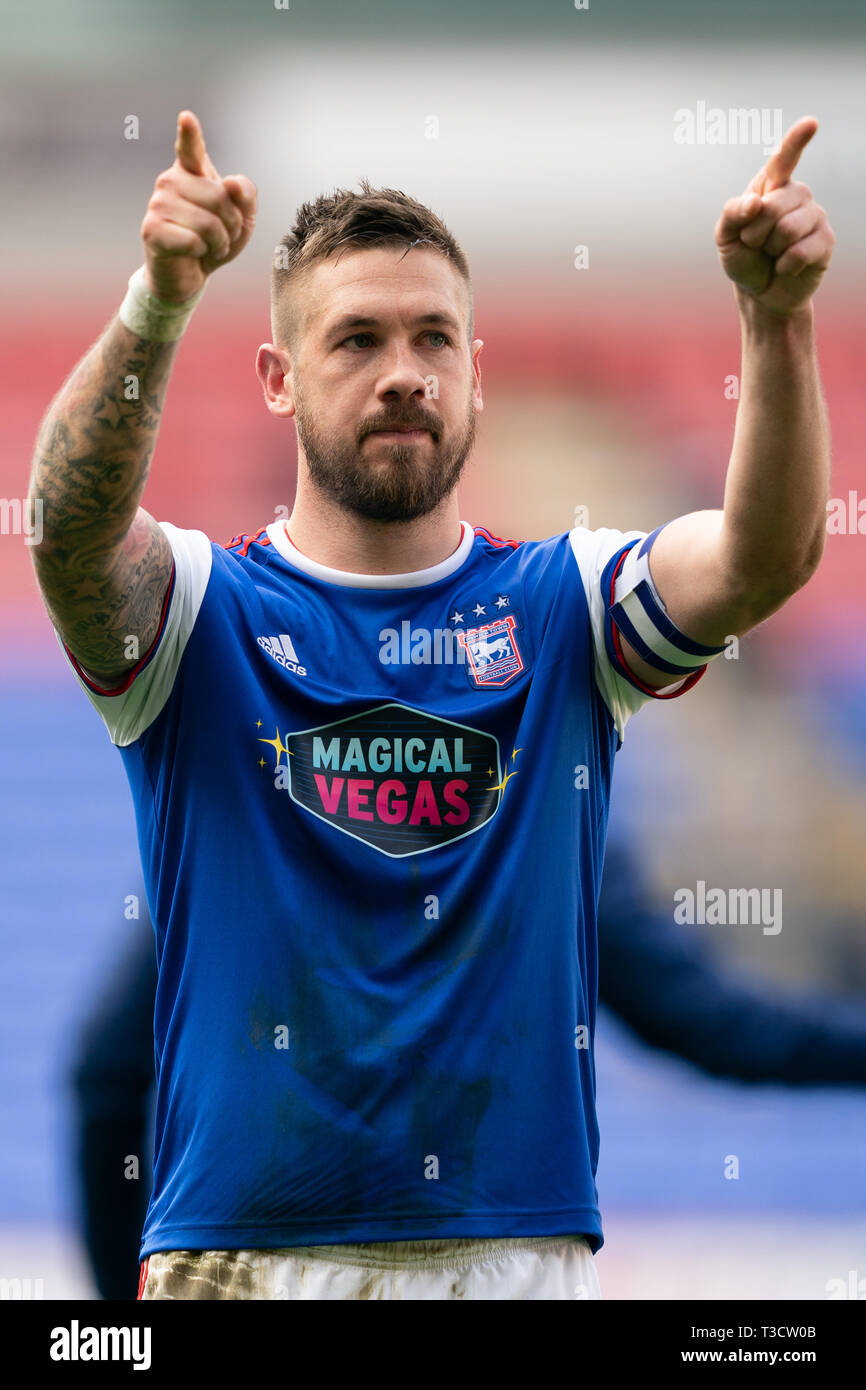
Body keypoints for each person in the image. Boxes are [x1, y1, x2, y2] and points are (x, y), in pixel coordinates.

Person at [30, 108, 834, 1299]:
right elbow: (68, 529)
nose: (403, 371)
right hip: (245, 1264)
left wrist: (773, 319)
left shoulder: (566, 608)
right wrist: (159, 298)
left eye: (432, 338)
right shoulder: (202, 619)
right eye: (354, 339)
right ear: (277, 377)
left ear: (473, 371)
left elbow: (764, 553)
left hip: (513, 1260)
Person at [70, 837, 866, 1300]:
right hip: (489, 1261)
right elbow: (713, 1026)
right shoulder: (544, 810)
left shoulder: (250, 816)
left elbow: (104, 1075)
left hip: (262, 1260)